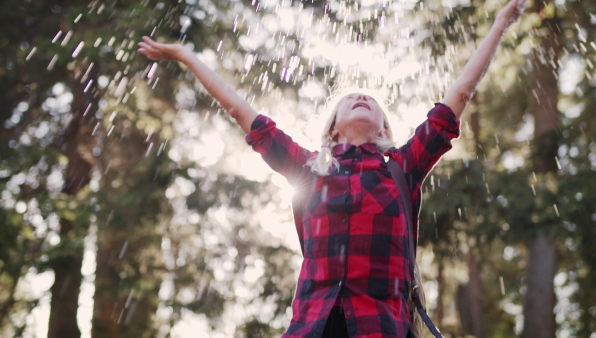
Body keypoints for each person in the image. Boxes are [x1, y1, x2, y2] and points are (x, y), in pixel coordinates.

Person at [138, 0, 525, 336]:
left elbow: (459, 95)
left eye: (370, 100)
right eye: (351, 98)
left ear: (384, 129)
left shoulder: (402, 168)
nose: (361, 97)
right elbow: (242, 112)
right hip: (311, 329)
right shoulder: (308, 171)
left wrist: (499, 24)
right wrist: (186, 57)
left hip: (381, 330)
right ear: (333, 127)